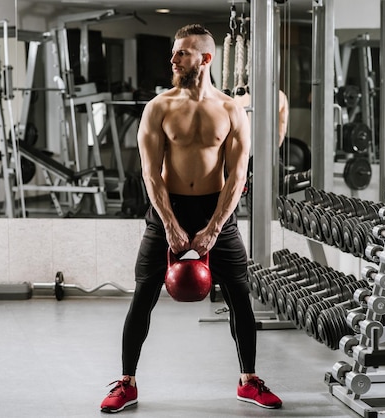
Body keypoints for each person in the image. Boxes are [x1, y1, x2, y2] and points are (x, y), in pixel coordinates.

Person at [100, 23, 282, 413]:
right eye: (174, 52)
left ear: (206, 58)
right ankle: (127, 382)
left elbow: (237, 176)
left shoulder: (232, 110)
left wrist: (215, 227)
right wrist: (169, 223)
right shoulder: (159, 107)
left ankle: (248, 380)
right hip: (168, 210)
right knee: (142, 297)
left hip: (218, 212)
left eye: (182, 52)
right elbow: (150, 173)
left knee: (240, 300)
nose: (174, 58)